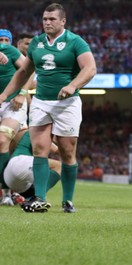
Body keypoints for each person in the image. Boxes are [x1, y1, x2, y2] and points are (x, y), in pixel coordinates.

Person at [0, 3, 97, 213]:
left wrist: (72, 86)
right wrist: (5, 95)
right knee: (39, 150)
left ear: (63, 21)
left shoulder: (75, 42)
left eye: (52, 19)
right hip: (41, 102)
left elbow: (90, 69)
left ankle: (68, 201)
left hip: (67, 104)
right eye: (45, 19)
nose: (47, 22)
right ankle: (40, 198)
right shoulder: (36, 43)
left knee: (67, 152)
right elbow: (23, 73)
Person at [0, 29, 29, 206]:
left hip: (12, 104)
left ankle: (7, 194)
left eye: (5, 40)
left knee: (3, 140)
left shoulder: (11, 52)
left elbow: (29, 70)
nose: (3, 43)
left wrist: (23, 93)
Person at [4, 128, 61, 211]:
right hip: (21, 163)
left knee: (39, 173)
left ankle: (28, 200)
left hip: (9, 176)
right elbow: (58, 150)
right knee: (59, 166)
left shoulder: (28, 131)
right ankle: (37, 199)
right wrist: (65, 140)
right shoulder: (39, 132)